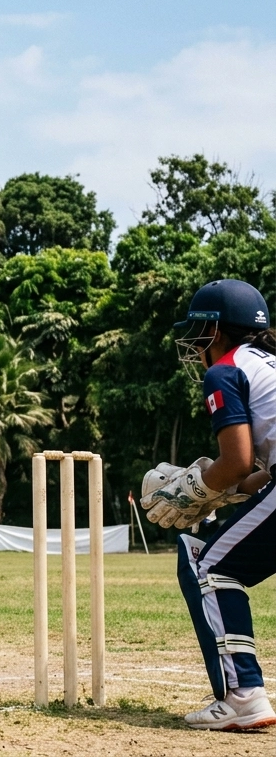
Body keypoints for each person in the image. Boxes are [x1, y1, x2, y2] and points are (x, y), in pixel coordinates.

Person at [140, 279, 276, 730]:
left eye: (197, 335)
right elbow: (256, 473)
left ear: (214, 332)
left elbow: (235, 460)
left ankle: (244, 697)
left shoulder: (225, 369)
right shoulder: (270, 364)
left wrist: (192, 489)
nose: (195, 346)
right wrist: (228, 491)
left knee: (210, 566)